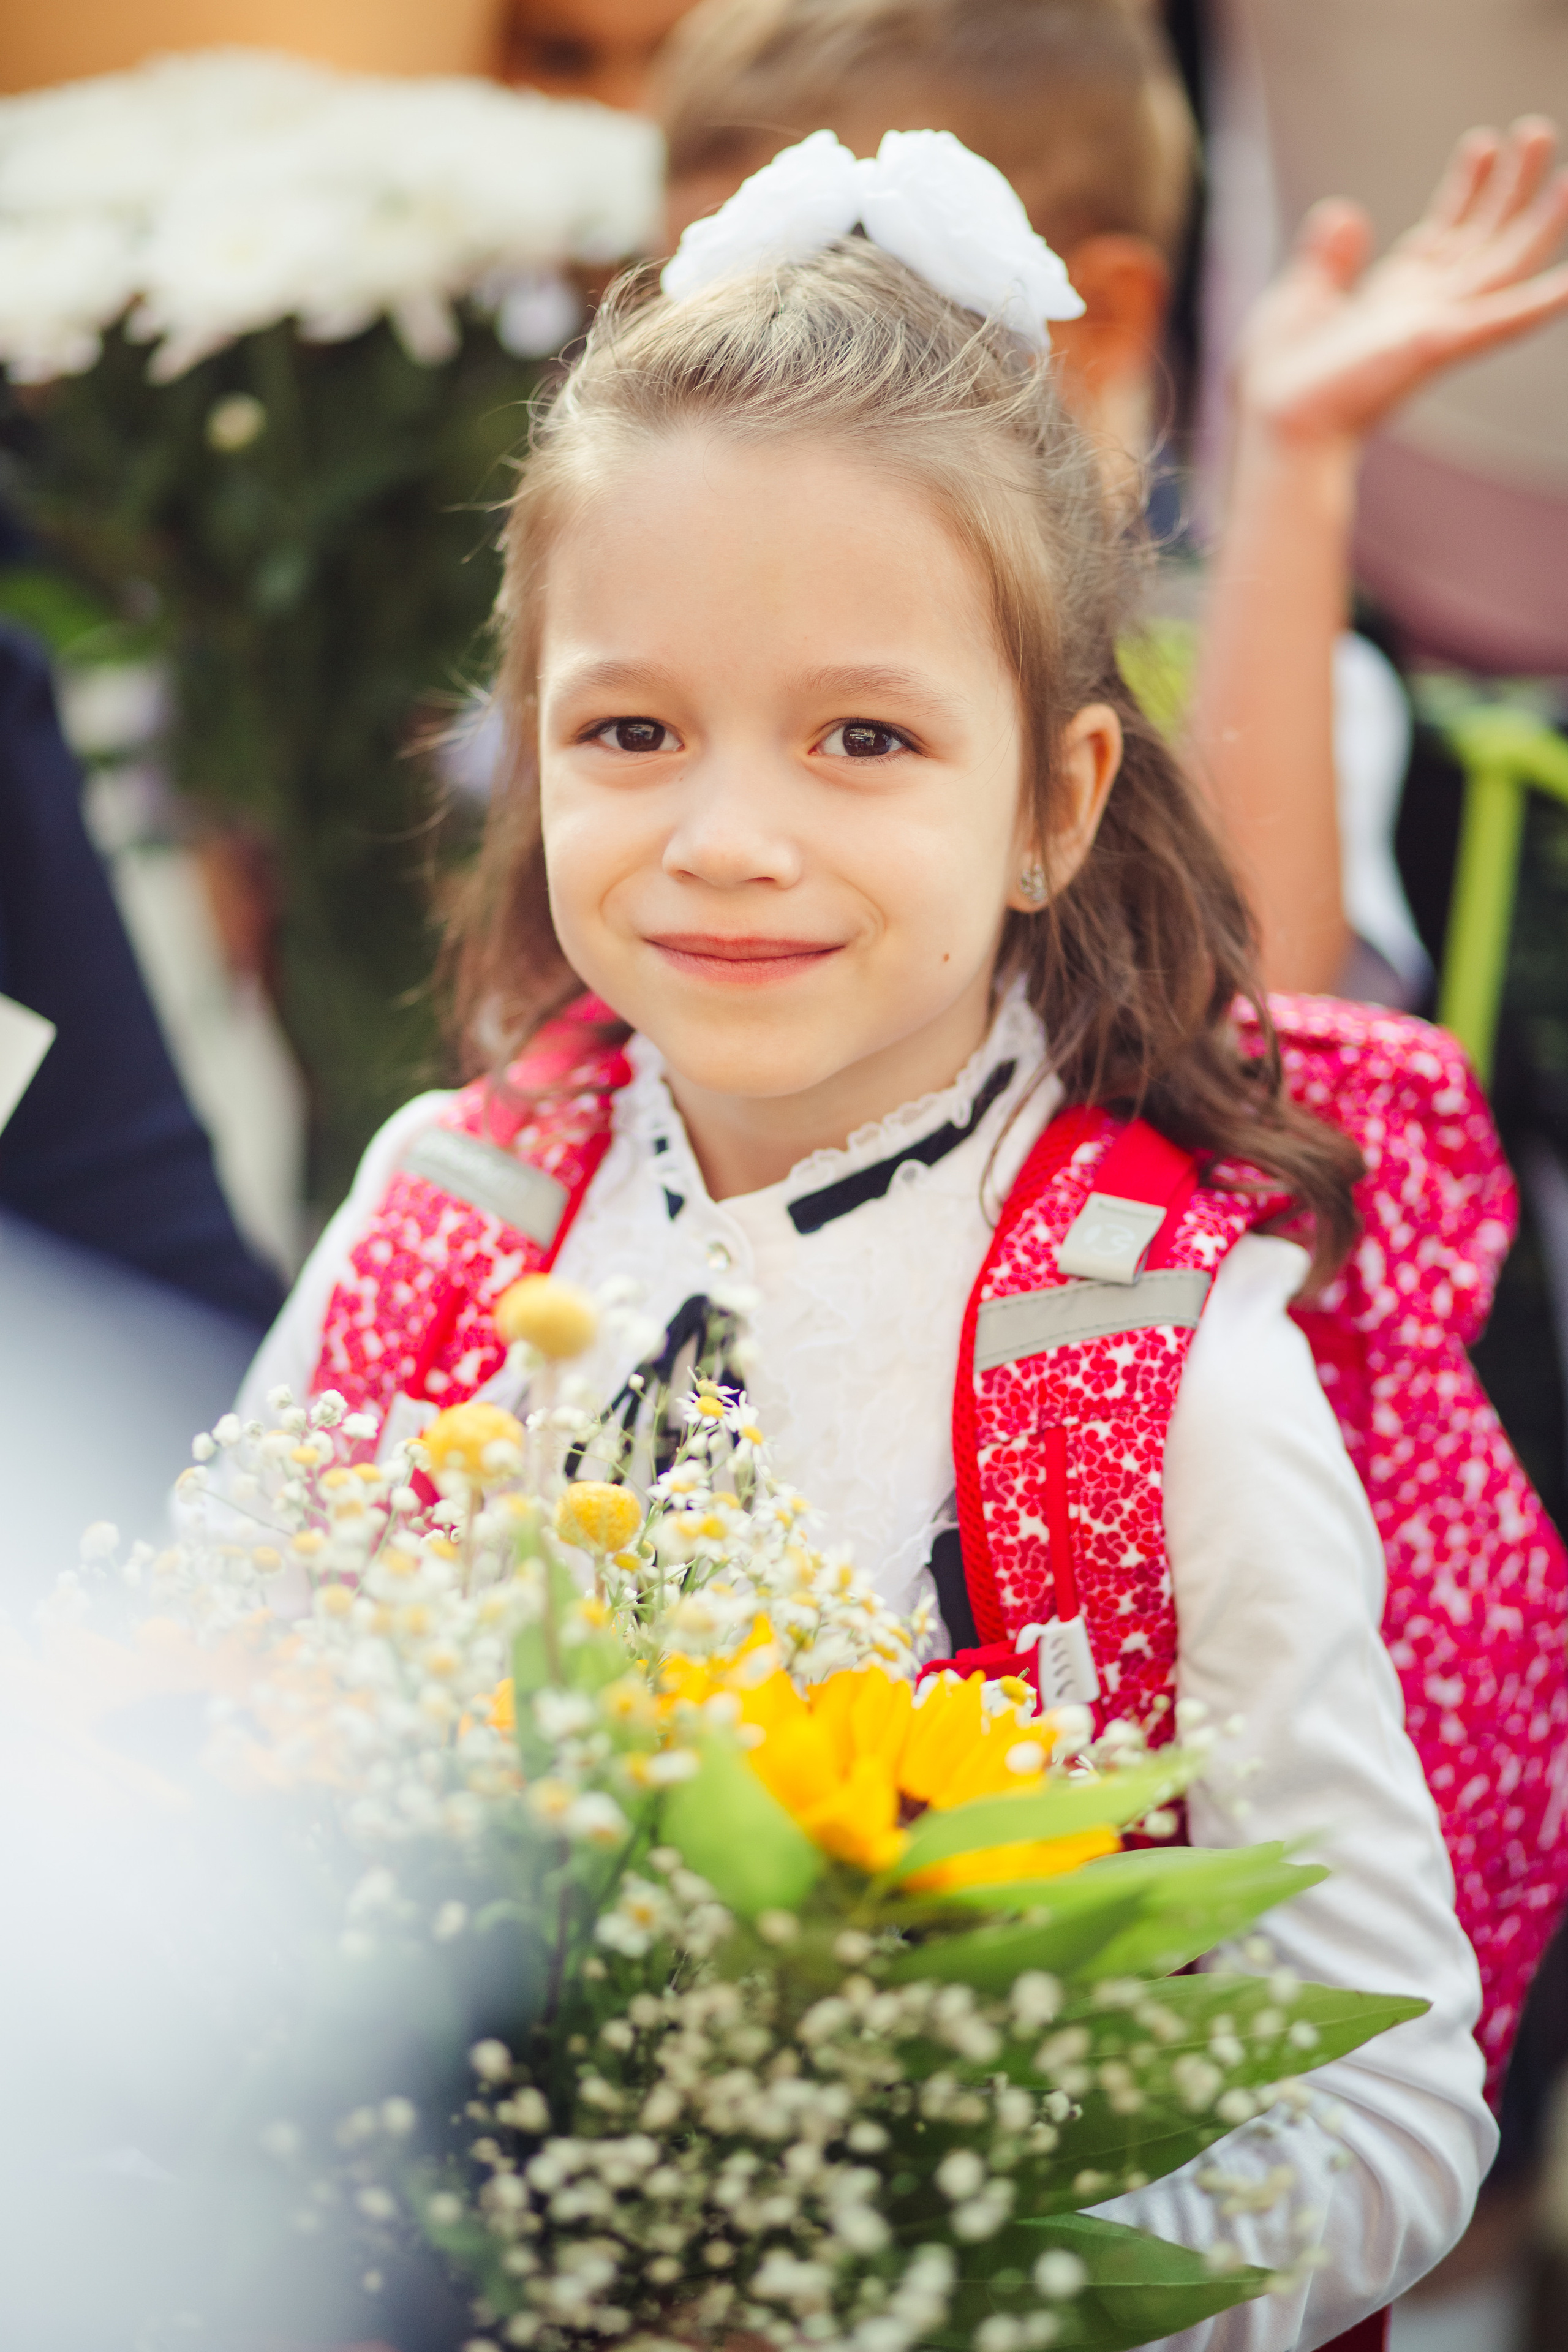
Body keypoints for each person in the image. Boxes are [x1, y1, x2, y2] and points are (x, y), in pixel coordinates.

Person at [240, 134, 1514, 2348]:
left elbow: (1392, 2100)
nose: (732, 837)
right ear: (527, 757)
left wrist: (937, 2298)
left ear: (1052, 799)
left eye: (864, 739)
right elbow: (200, 1776)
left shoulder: (1155, 1350)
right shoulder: (445, 1210)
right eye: (631, 730)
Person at [652, 0, 1568, 998]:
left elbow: (1249, 998)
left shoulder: (1236, 671)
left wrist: (1293, 458)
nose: (757, 395)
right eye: (705, 330)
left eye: (854, 339)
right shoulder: (664, 655)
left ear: (1103, 321)